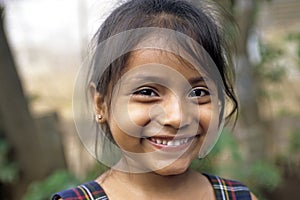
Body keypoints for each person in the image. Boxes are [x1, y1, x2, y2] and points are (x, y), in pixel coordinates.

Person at [52, 0, 258, 199]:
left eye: (198, 93)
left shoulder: (237, 197)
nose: (177, 118)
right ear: (101, 104)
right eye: (147, 93)